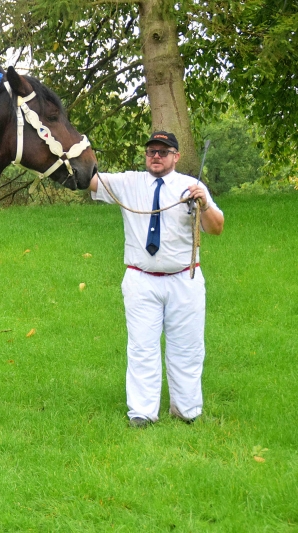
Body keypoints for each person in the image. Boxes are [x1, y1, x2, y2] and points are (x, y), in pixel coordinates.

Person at [88, 131, 225, 427]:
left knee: (187, 348)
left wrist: (204, 204)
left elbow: (216, 228)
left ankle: (187, 410)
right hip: (141, 279)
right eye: (151, 151)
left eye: (163, 152)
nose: (156, 157)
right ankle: (142, 412)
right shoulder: (129, 182)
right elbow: (89, 179)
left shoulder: (193, 185)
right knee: (141, 347)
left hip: (184, 278)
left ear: (176, 156)